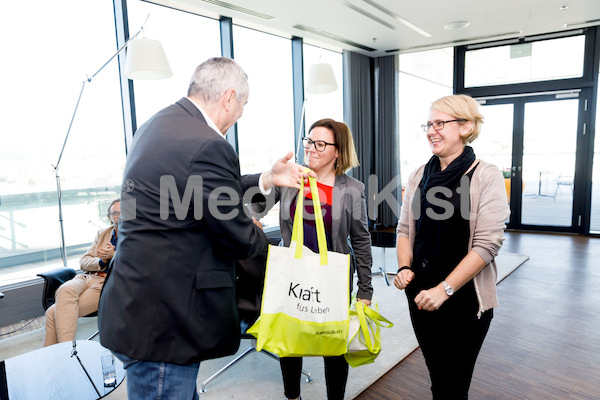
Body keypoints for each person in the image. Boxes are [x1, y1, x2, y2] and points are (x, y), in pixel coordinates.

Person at [97, 57, 310, 400]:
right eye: (243, 103)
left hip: (139, 306)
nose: (241, 112)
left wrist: (267, 179)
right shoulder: (208, 144)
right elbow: (238, 237)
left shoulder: (160, 124)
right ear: (228, 98)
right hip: (166, 321)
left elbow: (202, 187)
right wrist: (260, 235)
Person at [393, 94, 510, 399]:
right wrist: (404, 267)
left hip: (464, 300)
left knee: (454, 384)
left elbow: (487, 246)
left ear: (466, 127)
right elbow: (405, 230)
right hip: (421, 296)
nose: (431, 130)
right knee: (438, 378)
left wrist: (444, 289)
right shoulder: (419, 175)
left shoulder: (486, 175)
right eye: (428, 124)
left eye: (440, 123)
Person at [250, 118, 373, 400]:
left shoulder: (352, 189)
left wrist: (365, 288)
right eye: (309, 141)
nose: (312, 149)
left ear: (338, 151)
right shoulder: (292, 178)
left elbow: (361, 239)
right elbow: (256, 206)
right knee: (289, 335)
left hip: (333, 275)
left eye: (321, 144)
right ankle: (292, 396)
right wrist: (252, 216)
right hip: (291, 272)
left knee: (333, 340)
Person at [43, 199, 119, 347]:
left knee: (52, 313)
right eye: (115, 213)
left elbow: (138, 262)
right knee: (65, 289)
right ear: (109, 217)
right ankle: (64, 354)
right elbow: (84, 261)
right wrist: (101, 262)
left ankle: (63, 354)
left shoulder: (137, 236)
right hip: (87, 277)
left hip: (107, 284)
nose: (120, 216)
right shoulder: (103, 233)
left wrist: (114, 254)